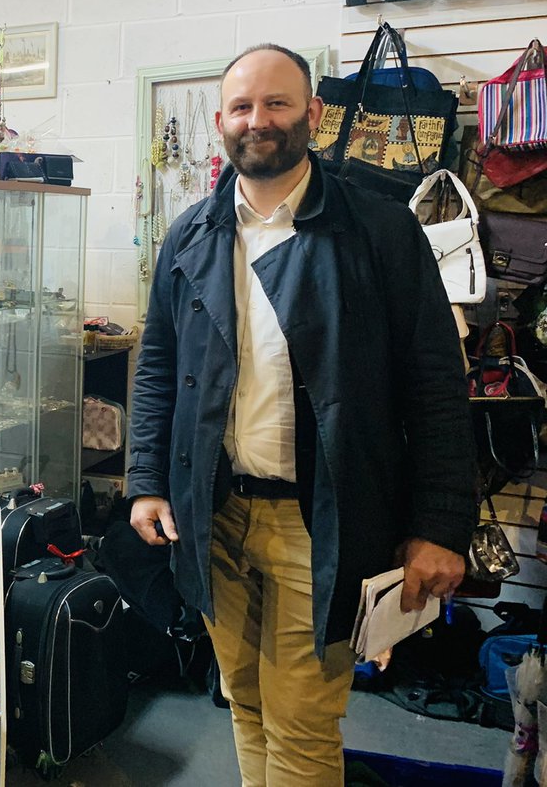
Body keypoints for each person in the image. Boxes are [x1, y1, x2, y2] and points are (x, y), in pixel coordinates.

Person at [128, 45, 475, 787]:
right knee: (245, 703)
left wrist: (442, 525)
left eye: (278, 104)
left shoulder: (377, 231)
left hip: (319, 519)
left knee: (303, 723)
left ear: (313, 115)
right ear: (221, 121)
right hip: (213, 512)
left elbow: (437, 385)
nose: (260, 121)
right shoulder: (190, 236)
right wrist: (145, 481)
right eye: (244, 107)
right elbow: (158, 367)